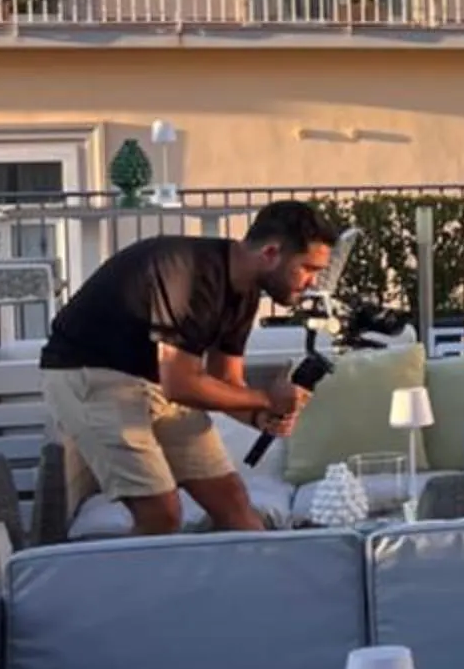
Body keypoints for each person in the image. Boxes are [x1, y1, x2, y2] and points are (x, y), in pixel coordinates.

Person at [40, 200, 344, 535]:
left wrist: (261, 417)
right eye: (307, 268)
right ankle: (125, 588)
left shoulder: (244, 293)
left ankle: (258, 582)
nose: (312, 282)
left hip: (155, 382)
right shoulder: (188, 272)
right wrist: (267, 399)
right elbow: (182, 385)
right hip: (93, 378)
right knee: (161, 514)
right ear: (271, 253)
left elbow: (223, 380)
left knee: (231, 500)